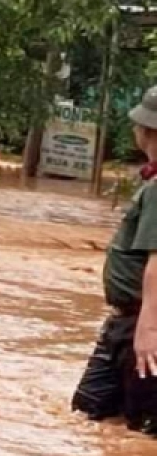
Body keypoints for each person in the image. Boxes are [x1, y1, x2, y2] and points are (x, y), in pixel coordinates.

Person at [72, 85, 157, 430]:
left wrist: (148, 329)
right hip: (127, 322)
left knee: (139, 427)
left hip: (140, 322)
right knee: (94, 416)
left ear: (149, 131)